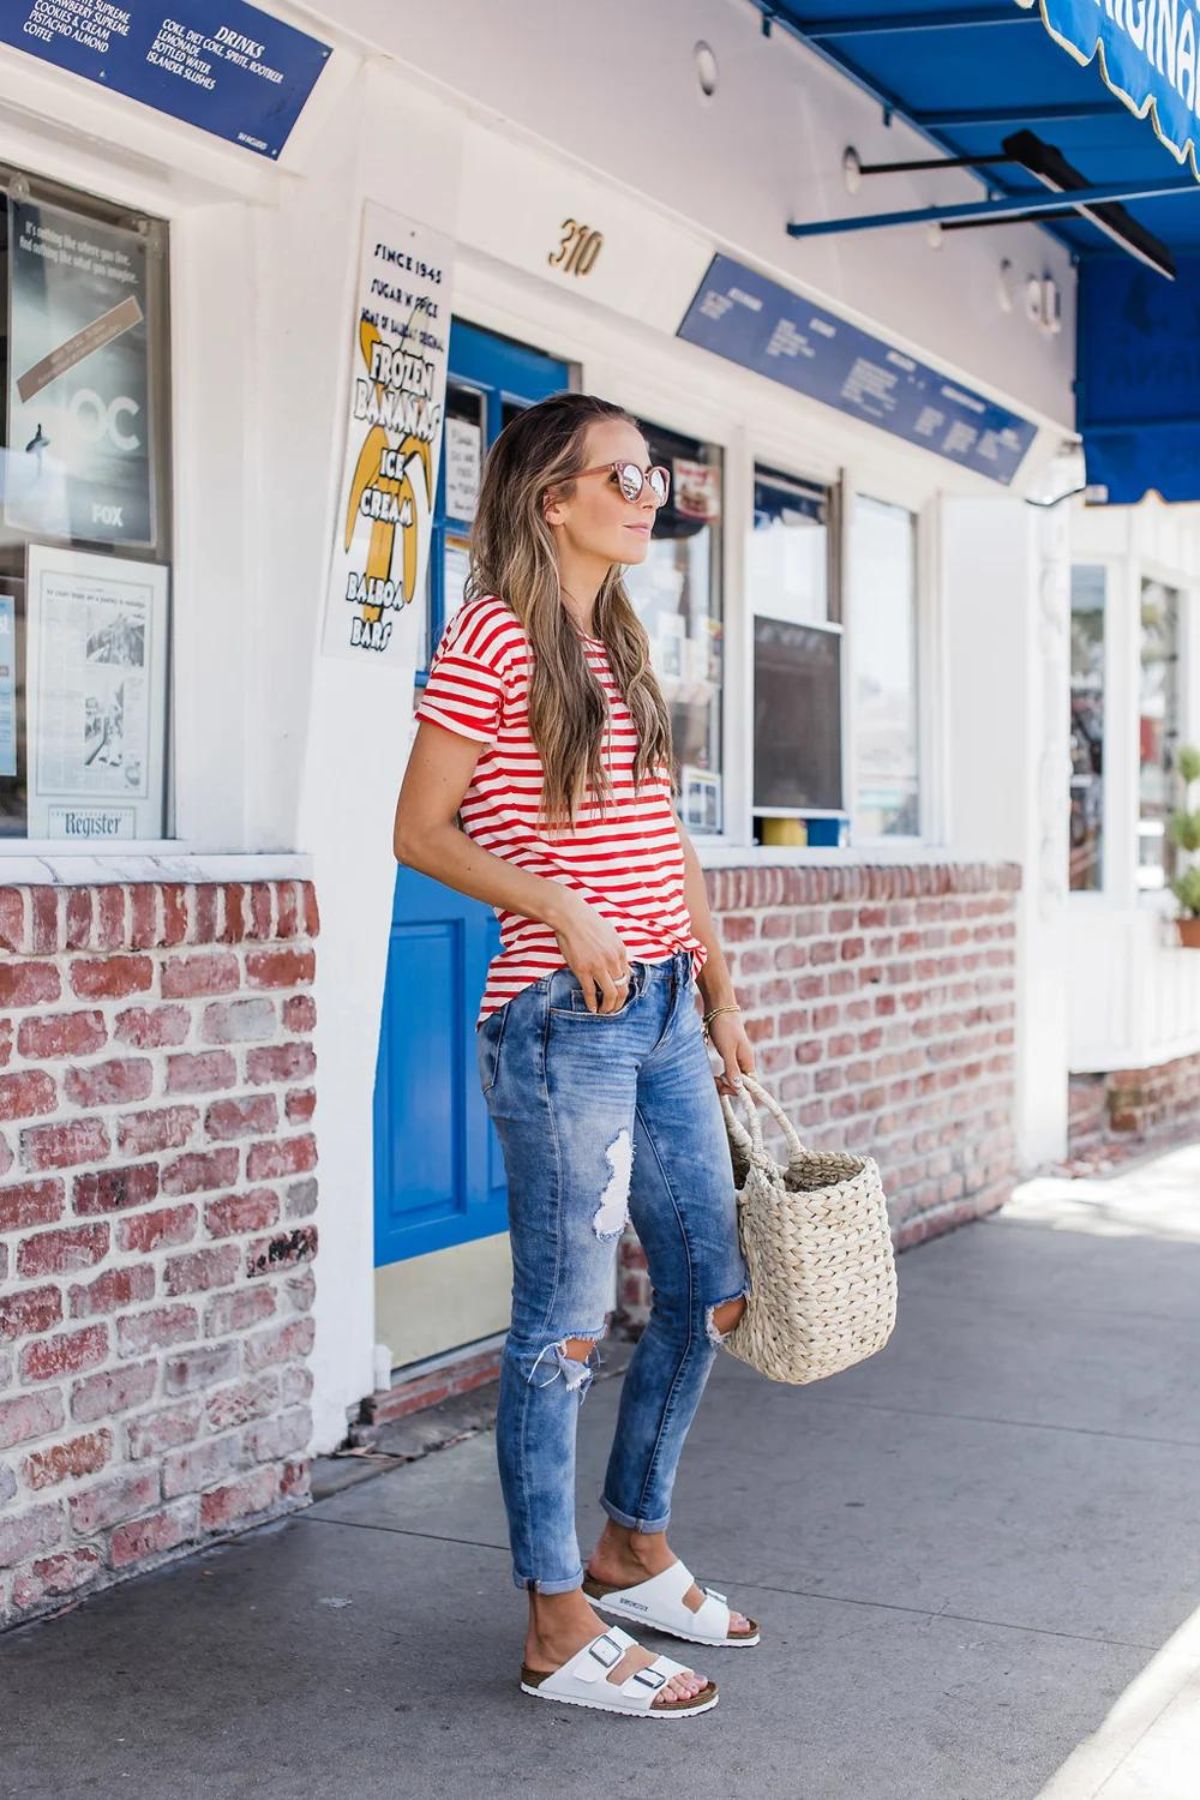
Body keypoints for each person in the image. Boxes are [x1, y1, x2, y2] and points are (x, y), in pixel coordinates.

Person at [393, 392, 758, 1719]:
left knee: (711, 1283)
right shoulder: (491, 637)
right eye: (627, 476)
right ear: (555, 496)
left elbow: (662, 839)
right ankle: (554, 1621)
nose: (651, 495)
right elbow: (419, 829)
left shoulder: (619, 640)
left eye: (657, 477)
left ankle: (631, 1545)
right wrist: (556, 904)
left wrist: (716, 984)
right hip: (566, 1020)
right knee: (562, 1329)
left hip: (662, 1010)